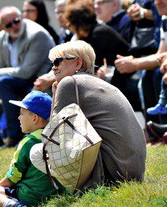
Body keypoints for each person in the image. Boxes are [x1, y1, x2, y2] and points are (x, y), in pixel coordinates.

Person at [52, 41, 146, 187]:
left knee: (36, 152)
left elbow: (54, 134)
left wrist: (55, 94)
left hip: (111, 173)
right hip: (133, 170)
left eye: (58, 61)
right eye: (52, 62)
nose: (54, 67)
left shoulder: (69, 82)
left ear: (77, 63)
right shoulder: (101, 83)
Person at [0, 91, 64, 207]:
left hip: (30, 196)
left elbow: (13, 177)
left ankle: (12, 206)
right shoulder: (56, 138)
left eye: (22, 114)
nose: (18, 118)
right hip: (53, 193)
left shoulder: (28, 142)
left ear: (35, 118)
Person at [114, 0, 167, 137]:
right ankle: (155, 130)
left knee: (158, 75)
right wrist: (135, 62)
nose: (157, 2)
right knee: (148, 75)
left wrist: (135, 64)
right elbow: (161, 55)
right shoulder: (165, 18)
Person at [0, 7, 54, 147]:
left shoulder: (37, 34)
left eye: (16, 21)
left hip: (37, 79)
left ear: (22, 18)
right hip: (14, 78)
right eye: (9, 24)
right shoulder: (1, 37)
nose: (15, 26)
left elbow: (26, 72)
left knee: (3, 82)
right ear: (1, 27)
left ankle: (14, 137)